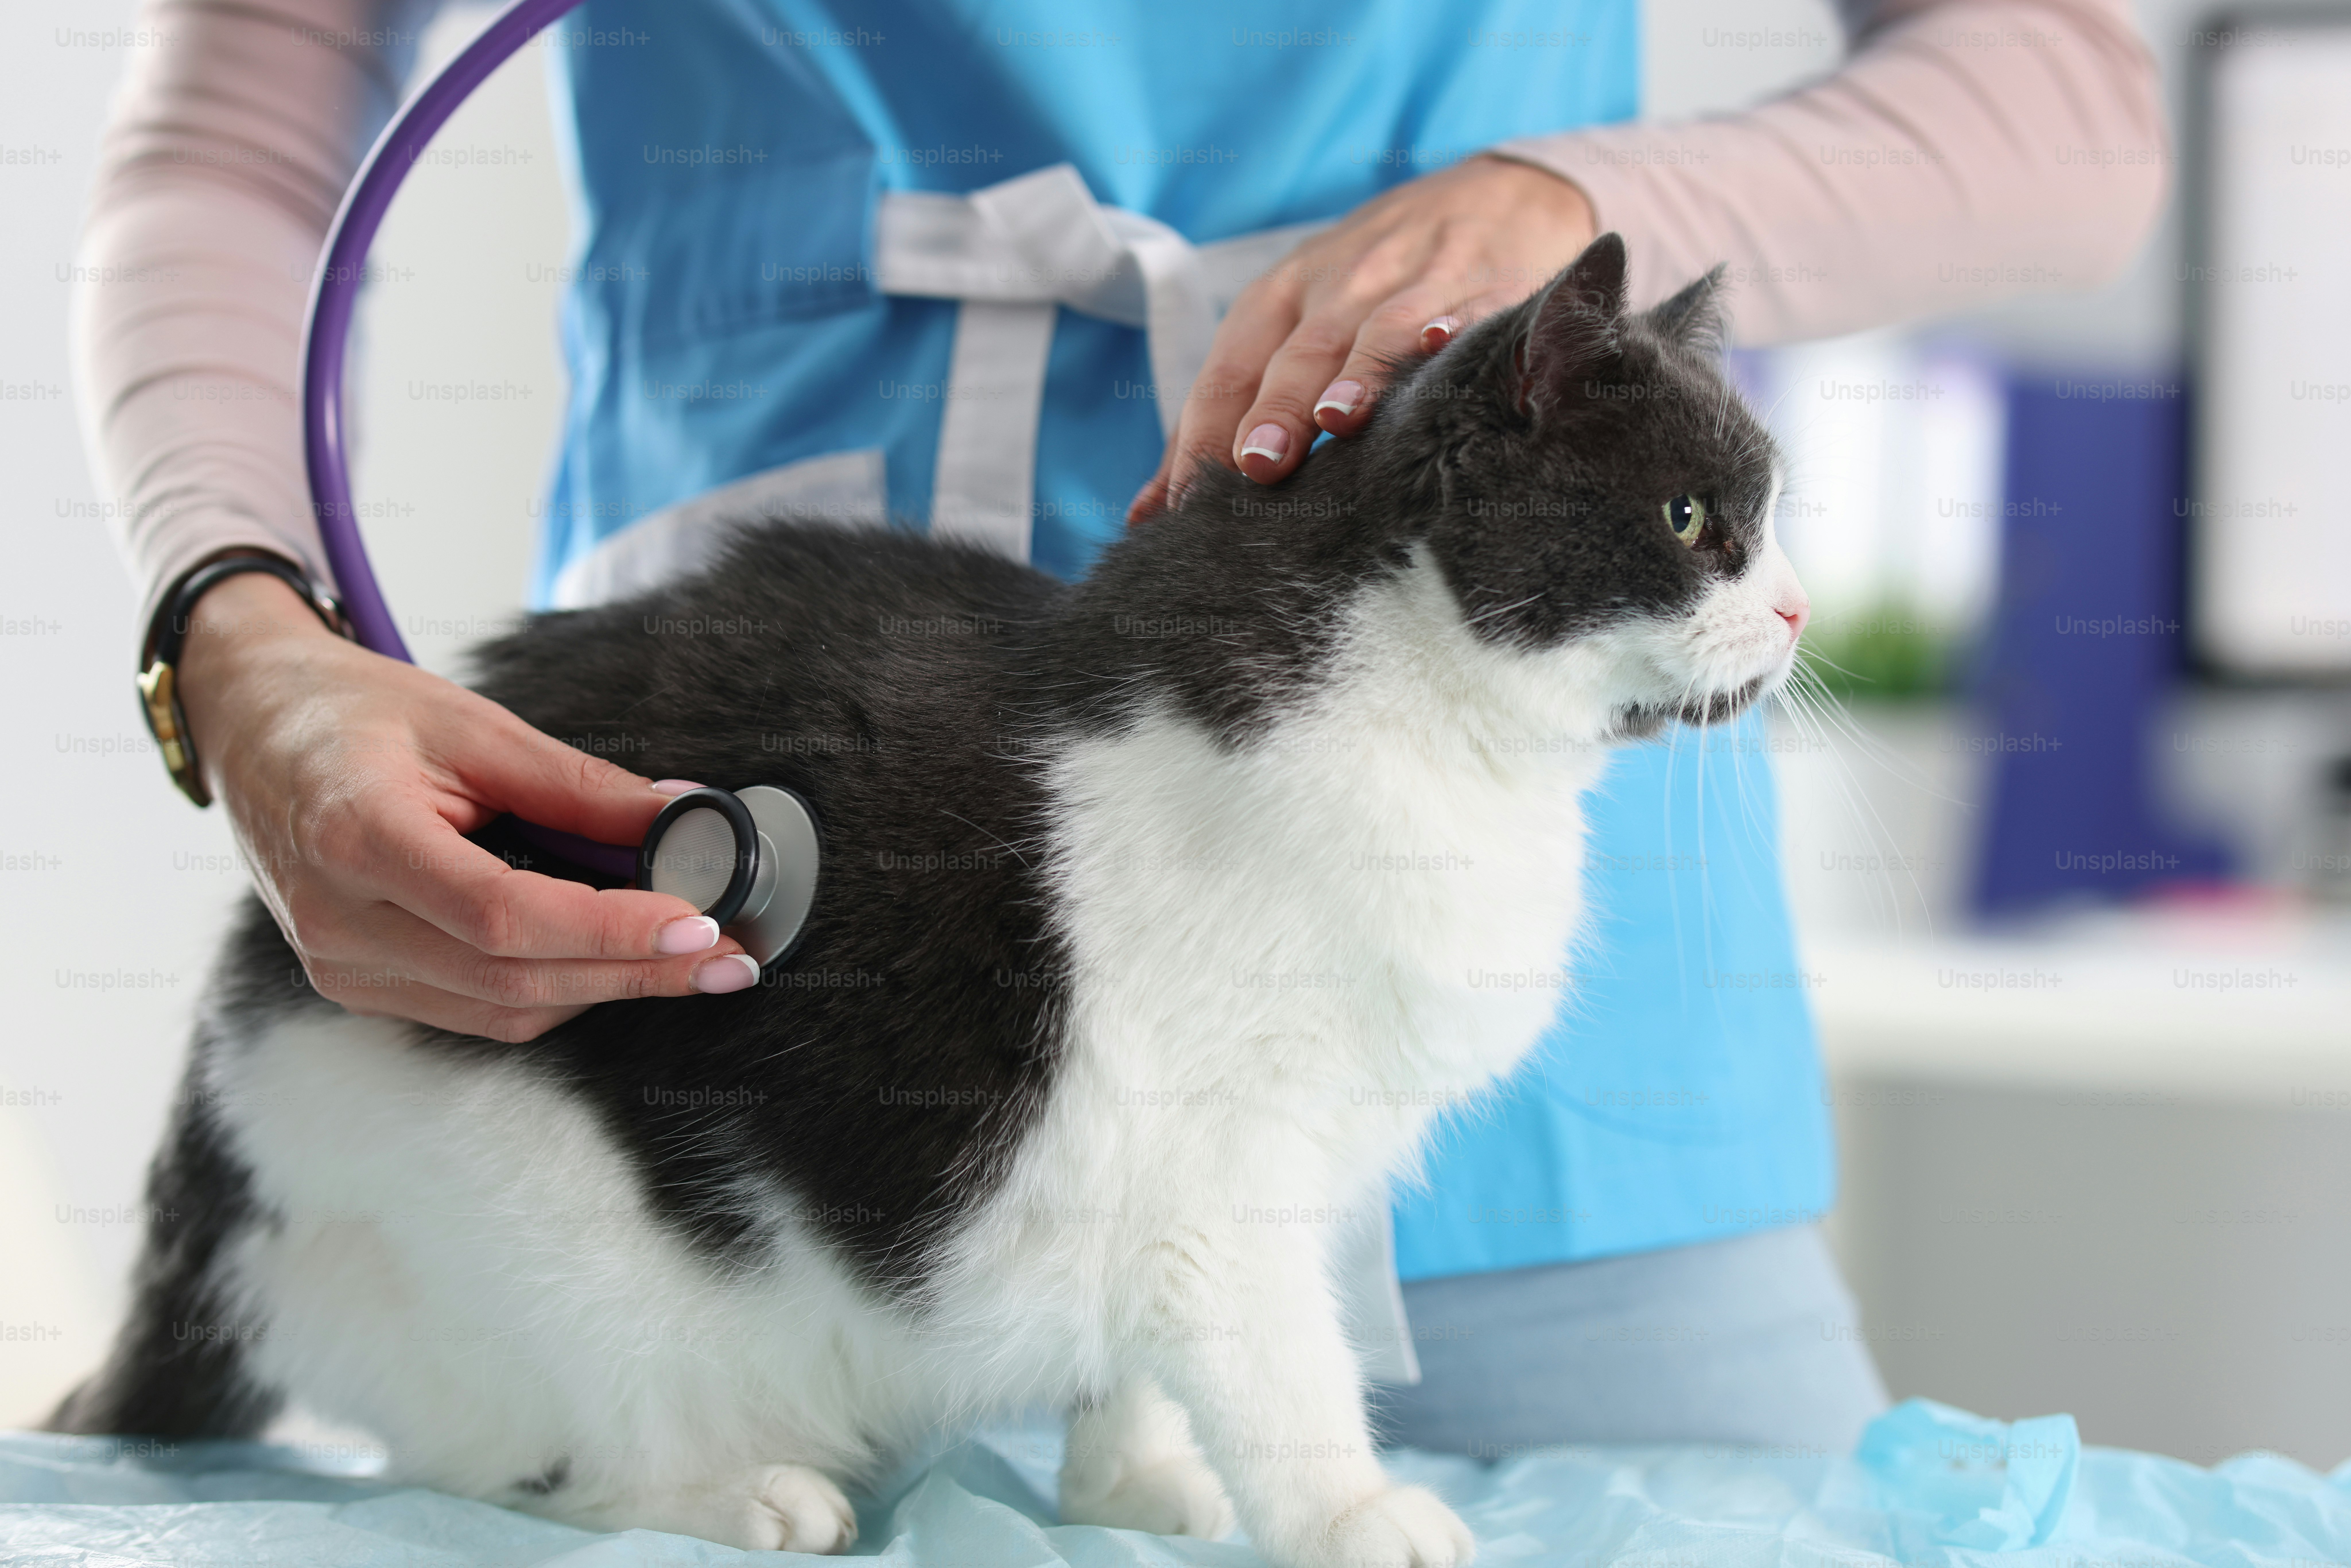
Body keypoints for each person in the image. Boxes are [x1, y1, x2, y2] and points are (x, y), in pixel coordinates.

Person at [75, 0, 2164, 1456]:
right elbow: (244, 135)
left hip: (1555, 1159)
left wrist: (1573, 200)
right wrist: (229, 624)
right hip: (779, 998)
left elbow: (2073, 108)